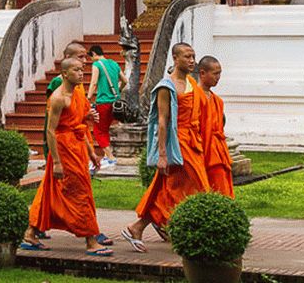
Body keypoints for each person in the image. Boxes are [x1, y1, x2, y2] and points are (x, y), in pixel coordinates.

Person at [122, 43, 209, 252]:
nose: (192, 61)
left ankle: (138, 227)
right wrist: (162, 155)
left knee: (174, 191)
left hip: (193, 142)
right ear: (175, 59)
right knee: (195, 189)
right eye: (187, 56)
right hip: (177, 145)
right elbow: (161, 122)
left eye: (193, 56)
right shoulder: (166, 87)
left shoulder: (191, 83)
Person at [21, 58, 111, 256]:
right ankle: (91, 240)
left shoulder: (78, 93)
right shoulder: (58, 98)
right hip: (64, 150)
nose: (81, 73)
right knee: (80, 192)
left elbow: (77, 124)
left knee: (50, 191)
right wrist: (57, 162)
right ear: (64, 74)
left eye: (82, 70)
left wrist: (91, 152)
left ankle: (30, 233)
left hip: (77, 146)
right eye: (76, 70)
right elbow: (50, 131)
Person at [198, 55, 233, 197]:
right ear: (202, 73)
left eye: (219, 73)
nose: (218, 77)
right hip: (202, 147)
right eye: (215, 74)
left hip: (217, 149)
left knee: (221, 184)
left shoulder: (217, 100)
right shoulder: (194, 97)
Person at [86, 44, 126, 168]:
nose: (91, 59)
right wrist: (118, 90)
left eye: (91, 56)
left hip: (103, 102)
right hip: (115, 103)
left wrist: (87, 99)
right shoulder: (114, 63)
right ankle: (107, 156)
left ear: (94, 53)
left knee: (98, 131)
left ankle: (111, 158)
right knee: (105, 129)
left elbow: (93, 83)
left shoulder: (97, 65)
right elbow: (125, 80)